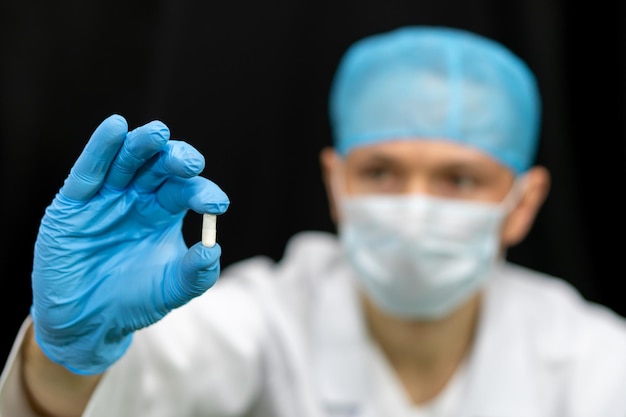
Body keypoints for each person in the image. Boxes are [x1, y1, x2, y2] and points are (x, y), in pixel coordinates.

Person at [2, 25, 626, 417]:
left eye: (459, 179)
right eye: (380, 172)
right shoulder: (263, 319)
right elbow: (122, 392)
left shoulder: (599, 362)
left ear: (522, 203)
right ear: (335, 182)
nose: (414, 205)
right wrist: (66, 357)